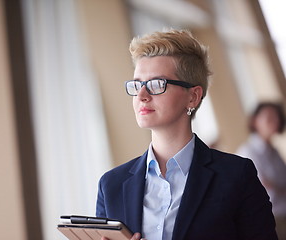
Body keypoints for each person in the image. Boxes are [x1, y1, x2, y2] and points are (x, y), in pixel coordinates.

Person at [96, 29, 277, 240]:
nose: (142, 95)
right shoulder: (111, 185)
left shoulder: (237, 176)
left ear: (193, 97)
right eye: (137, 84)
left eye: (156, 84)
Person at [237, 102, 286, 240]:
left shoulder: (274, 151)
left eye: (277, 117)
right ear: (255, 121)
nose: (274, 121)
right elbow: (264, 189)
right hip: (272, 219)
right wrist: (278, 188)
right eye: (269, 118)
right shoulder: (248, 152)